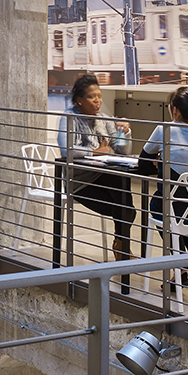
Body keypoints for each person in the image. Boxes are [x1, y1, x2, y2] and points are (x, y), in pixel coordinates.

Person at [58, 73, 135, 259]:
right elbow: (66, 150)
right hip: (80, 182)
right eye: (92, 97)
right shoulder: (69, 118)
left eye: (99, 96)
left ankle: (121, 246)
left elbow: (122, 151)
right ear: (79, 100)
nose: (97, 101)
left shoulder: (103, 118)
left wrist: (124, 132)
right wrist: (95, 152)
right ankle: (122, 248)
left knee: (126, 203)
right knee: (124, 208)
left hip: (104, 176)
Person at [141, 84, 188, 261]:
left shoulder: (165, 130)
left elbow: (143, 163)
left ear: (174, 110)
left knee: (159, 206)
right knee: (178, 204)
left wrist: (160, 162)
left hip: (176, 209)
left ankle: (181, 264)